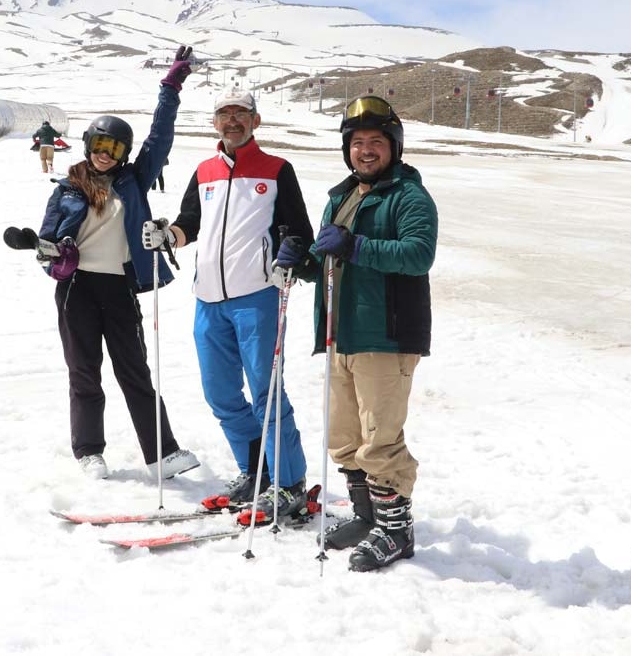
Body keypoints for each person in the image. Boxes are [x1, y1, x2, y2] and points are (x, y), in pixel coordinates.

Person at [274, 95, 437, 572]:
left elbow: (418, 254)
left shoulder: (409, 196)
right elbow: (330, 260)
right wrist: (302, 261)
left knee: (380, 440)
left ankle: (396, 530)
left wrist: (357, 245)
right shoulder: (340, 197)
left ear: (394, 146)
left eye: (376, 142)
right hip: (340, 334)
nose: (366, 150)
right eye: (357, 142)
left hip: (385, 334)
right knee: (344, 437)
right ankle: (368, 517)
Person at [142, 88, 315, 518]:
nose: (232, 121)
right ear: (215, 122)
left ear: (256, 121)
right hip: (208, 299)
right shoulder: (205, 172)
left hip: (257, 296)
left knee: (266, 394)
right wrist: (169, 236)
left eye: (241, 113)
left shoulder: (277, 169)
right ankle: (257, 471)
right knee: (219, 393)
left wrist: (289, 255)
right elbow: (189, 223)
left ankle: (289, 483)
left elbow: (299, 231)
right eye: (224, 114)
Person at [38, 46, 199, 480]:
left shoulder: (133, 181)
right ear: (88, 145)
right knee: (84, 372)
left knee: (135, 372)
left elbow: (159, 140)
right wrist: (53, 258)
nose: (105, 153)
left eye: (114, 147)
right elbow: (46, 246)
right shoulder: (67, 189)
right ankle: (89, 451)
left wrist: (169, 89)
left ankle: (162, 454)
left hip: (120, 287)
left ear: (124, 152)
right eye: (99, 145)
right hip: (77, 289)